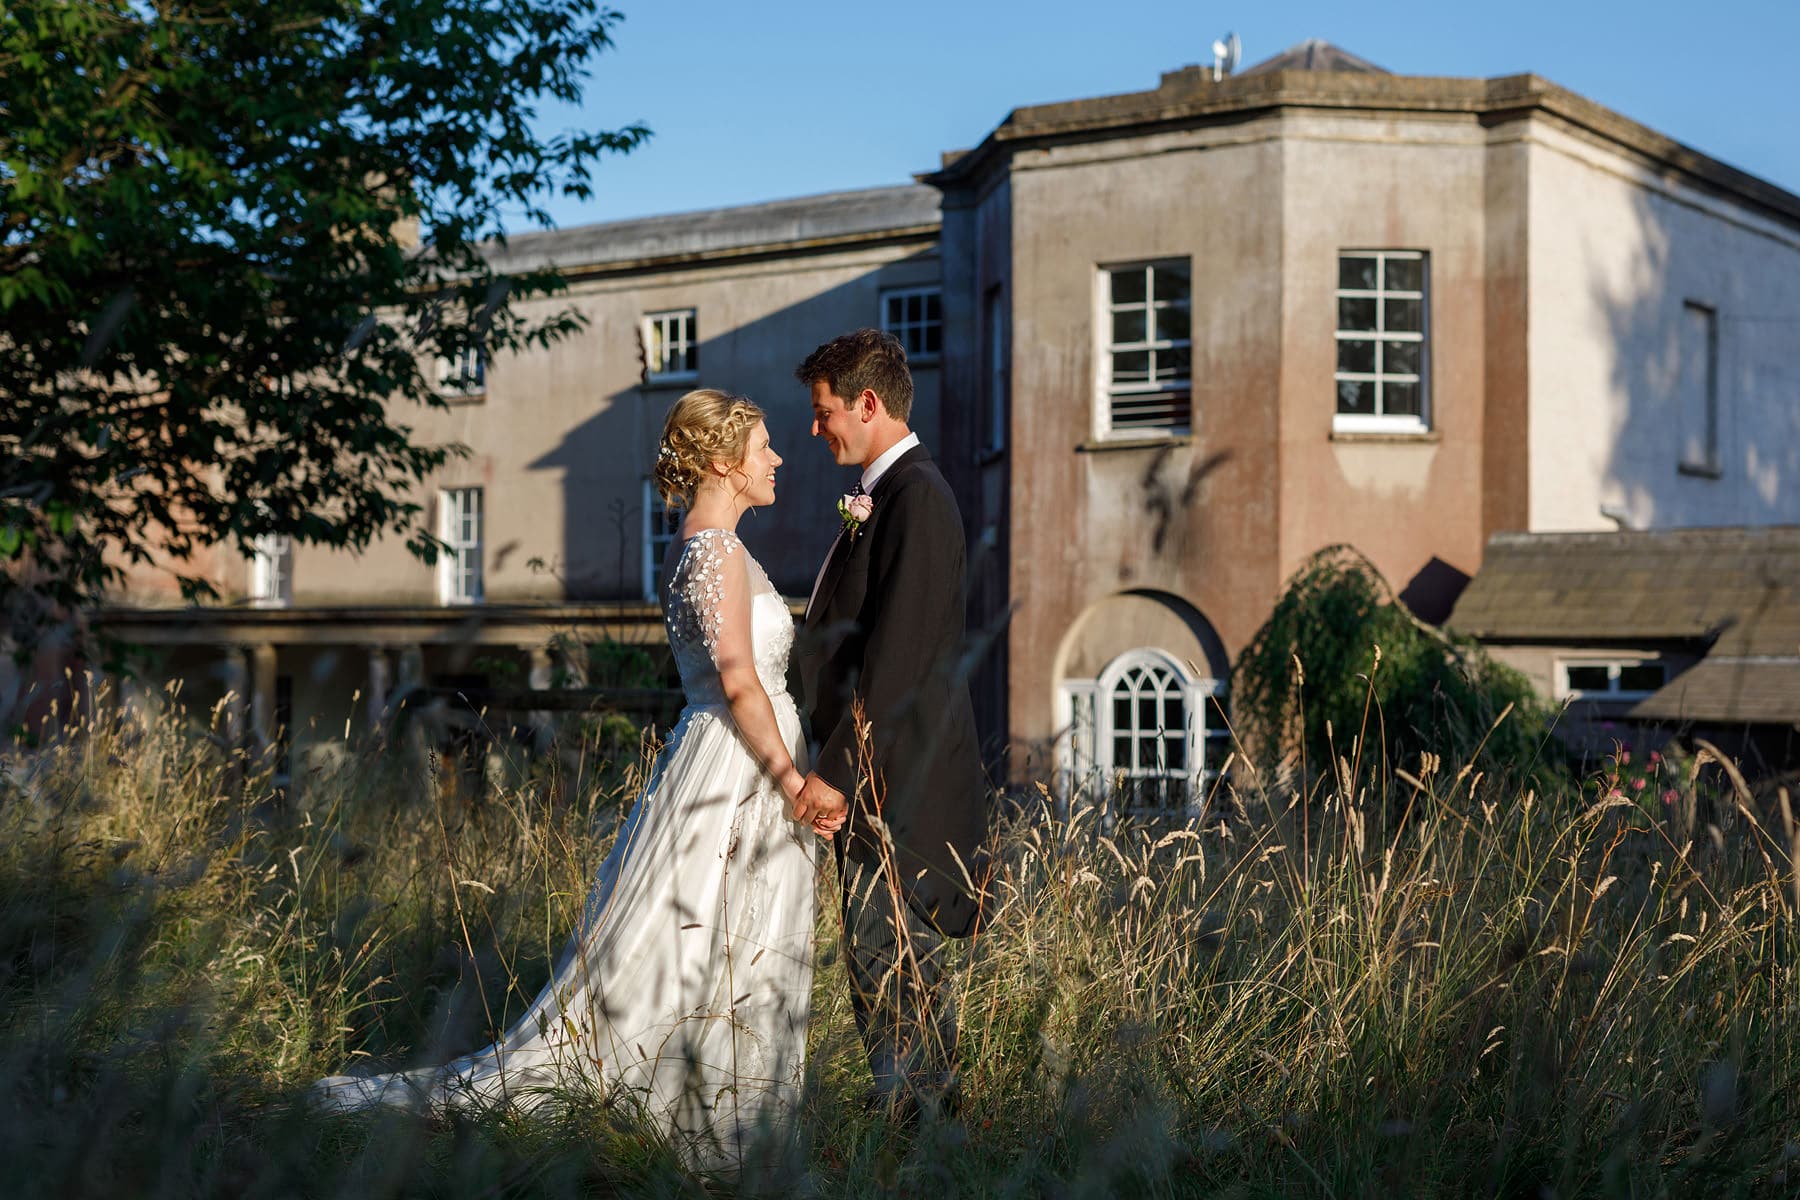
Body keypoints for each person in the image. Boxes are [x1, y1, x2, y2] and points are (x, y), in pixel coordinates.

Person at [314, 389, 842, 1168]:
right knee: (706, 935)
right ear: (725, 460)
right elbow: (737, 680)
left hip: (724, 753)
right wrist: (794, 780)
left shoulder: (703, 545)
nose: (777, 458)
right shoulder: (717, 551)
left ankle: (720, 1108)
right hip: (736, 762)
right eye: (763, 447)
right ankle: (698, 1115)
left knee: (709, 934)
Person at [791, 329, 989, 1125]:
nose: (816, 429)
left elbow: (898, 661)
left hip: (899, 792)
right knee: (885, 976)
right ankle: (917, 1134)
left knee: (897, 972)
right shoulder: (893, 496)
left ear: (867, 404)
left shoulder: (918, 501)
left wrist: (832, 774)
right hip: (881, 784)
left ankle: (925, 1142)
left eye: (824, 411)